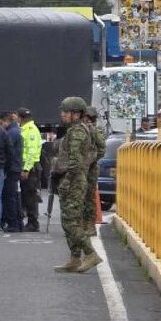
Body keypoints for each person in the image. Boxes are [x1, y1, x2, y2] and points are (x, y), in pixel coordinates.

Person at [54, 96, 101, 274]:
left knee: (71, 221)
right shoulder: (74, 130)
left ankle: (90, 254)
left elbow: (74, 162)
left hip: (73, 181)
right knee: (68, 221)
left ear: (76, 114)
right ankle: (74, 258)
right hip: (73, 180)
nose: (62, 115)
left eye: (66, 112)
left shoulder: (77, 132)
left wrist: (66, 182)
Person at [83, 106, 107, 238]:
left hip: (91, 168)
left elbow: (101, 149)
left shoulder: (96, 130)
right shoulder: (82, 129)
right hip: (82, 166)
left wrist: (92, 160)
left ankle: (90, 226)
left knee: (89, 198)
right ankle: (83, 225)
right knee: (81, 197)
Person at [18, 108, 43, 232]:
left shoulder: (31, 131)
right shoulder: (24, 129)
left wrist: (26, 169)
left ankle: (33, 222)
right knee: (25, 195)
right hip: (26, 166)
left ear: (20, 118)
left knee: (30, 197)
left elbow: (32, 152)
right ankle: (29, 221)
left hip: (30, 167)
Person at [0, 111, 24, 232]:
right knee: (13, 195)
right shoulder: (15, 131)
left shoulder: (12, 133)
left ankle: (13, 223)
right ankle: (17, 222)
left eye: (1, 123)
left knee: (10, 196)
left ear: (6, 121)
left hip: (12, 168)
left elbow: (6, 150)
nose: (1, 126)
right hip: (16, 167)